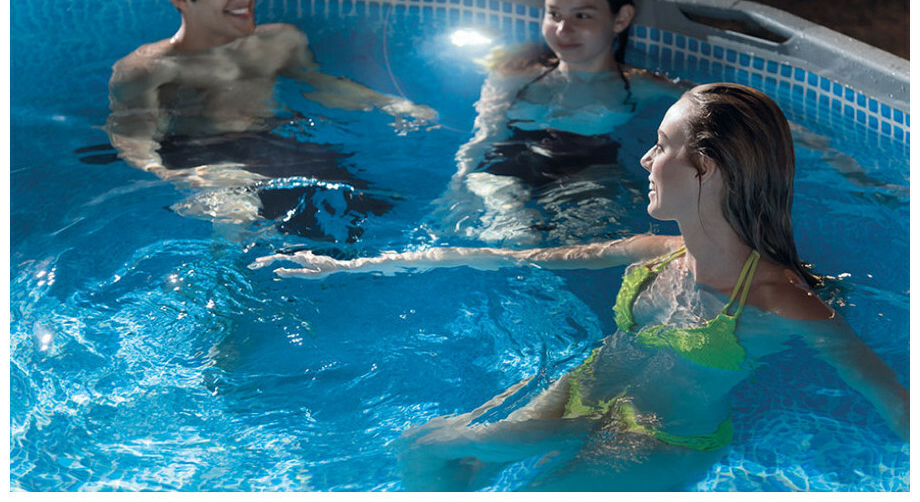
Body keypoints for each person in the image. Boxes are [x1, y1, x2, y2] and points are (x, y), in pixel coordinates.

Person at [252, 83, 909, 490]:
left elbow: (891, 399)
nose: (646, 158)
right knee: (420, 453)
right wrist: (352, 268)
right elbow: (501, 257)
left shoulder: (775, 299)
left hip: (658, 441)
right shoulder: (654, 254)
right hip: (584, 394)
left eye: (661, 145)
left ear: (706, 168)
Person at [106, 0, 436, 240]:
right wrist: (202, 179)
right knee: (242, 232)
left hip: (278, 147)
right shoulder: (148, 70)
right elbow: (135, 144)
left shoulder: (279, 43)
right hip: (204, 159)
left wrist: (388, 104)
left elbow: (320, 85)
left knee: (387, 225)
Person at [431, 0, 680, 245]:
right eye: (554, 14)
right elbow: (483, 138)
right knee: (513, 236)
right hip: (505, 171)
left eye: (581, 16)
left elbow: (710, 105)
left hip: (587, 176)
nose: (563, 30)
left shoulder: (640, 87)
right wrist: (457, 185)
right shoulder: (513, 77)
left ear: (621, 18)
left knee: (582, 243)